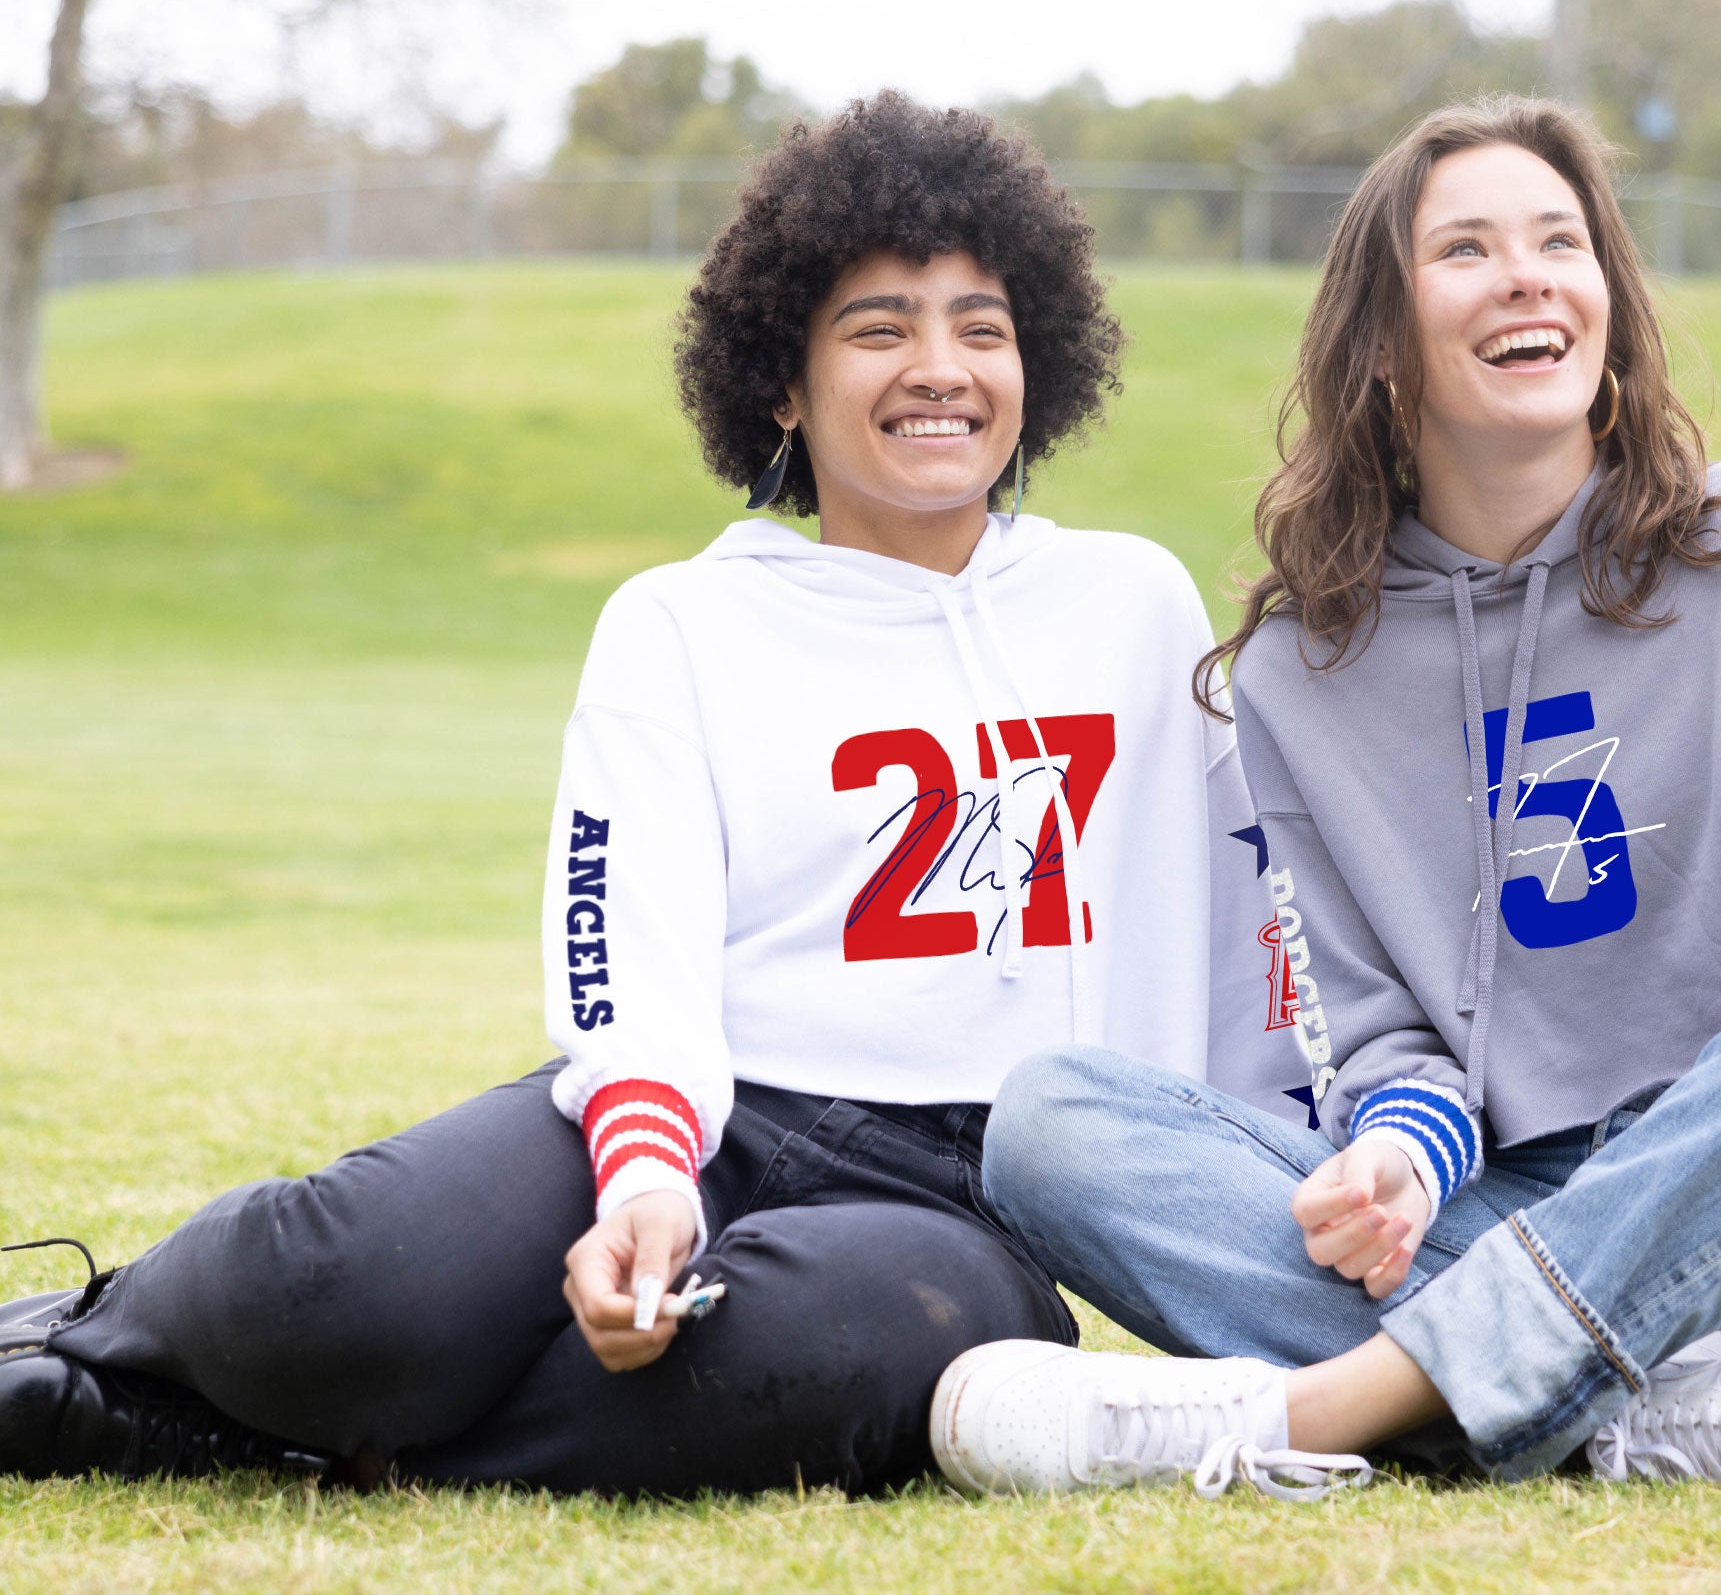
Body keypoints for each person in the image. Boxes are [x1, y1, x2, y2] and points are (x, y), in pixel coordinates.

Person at [0, 93, 1299, 1496]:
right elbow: (631, 933)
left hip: (974, 1196)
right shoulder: (686, 622)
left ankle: (180, 1437)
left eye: (981, 327)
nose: (941, 367)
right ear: (784, 386)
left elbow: (1242, 938)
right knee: (346, 1280)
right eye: (881, 328)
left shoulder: (1135, 606)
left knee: (822, 1357)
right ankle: (78, 1341)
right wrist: (645, 1174)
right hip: (714, 1109)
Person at [934, 96, 1721, 1502]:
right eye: (1468, 249)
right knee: (1050, 1122)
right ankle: (1664, 1417)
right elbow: (1394, 1045)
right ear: (1384, 340)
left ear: (1606, 304)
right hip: (1513, 1206)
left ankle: (1323, 1410)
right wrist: (1403, 1176)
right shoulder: (1308, 664)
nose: (1529, 272)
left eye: (1561, 241)